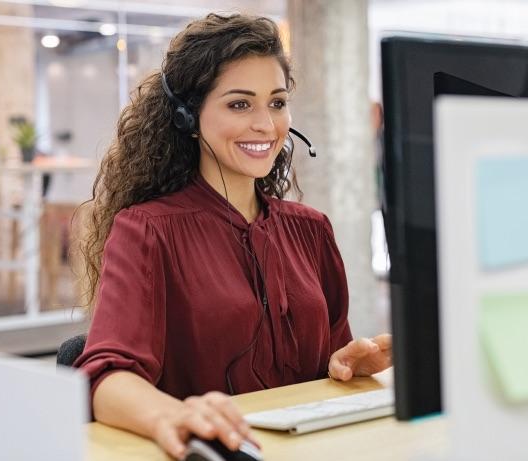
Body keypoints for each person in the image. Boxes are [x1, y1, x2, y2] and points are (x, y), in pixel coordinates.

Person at [74, 13, 392, 460]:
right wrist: (171, 416)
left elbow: (329, 356)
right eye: (240, 104)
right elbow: (104, 378)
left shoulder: (310, 229)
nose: (265, 124)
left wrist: (346, 364)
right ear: (188, 115)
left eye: (277, 103)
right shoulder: (148, 230)